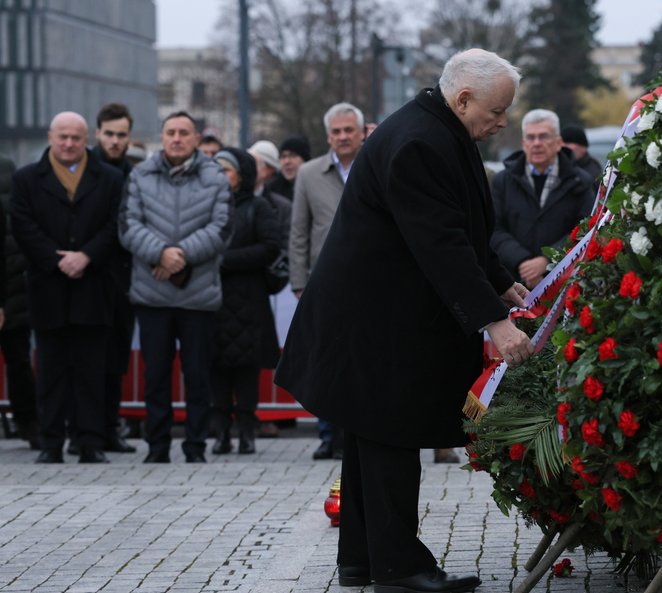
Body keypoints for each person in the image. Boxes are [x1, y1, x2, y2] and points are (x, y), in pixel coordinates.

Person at [275, 48, 533, 592]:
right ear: (463, 99)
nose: (503, 121)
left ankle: (362, 560)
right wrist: (495, 321)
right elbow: (438, 242)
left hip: (376, 317)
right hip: (373, 322)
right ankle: (400, 567)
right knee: (389, 436)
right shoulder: (419, 141)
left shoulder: (437, 129)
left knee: (372, 439)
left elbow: (459, 226)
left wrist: (498, 278)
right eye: (498, 110)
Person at [119, 111, 232, 463]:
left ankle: (195, 445)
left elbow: (222, 228)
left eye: (184, 132)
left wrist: (180, 255)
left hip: (198, 295)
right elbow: (127, 225)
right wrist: (160, 253)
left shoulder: (216, 178)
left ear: (196, 139)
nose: (178, 138)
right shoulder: (139, 176)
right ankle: (157, 446)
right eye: (171, 132)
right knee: (155, 376)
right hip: (152, 295)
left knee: (197, 376)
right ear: (162, 137)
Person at [10, 112, 122, 464]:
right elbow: (22, 225)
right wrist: (56, 259)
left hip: (94, 286)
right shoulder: (27, 179)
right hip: (48, 287)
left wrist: (86, 255)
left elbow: (116, 224)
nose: (69, 144)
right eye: (63, 137)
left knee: (91, 370)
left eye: (76, 137)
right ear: (50, 136)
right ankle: (51, 441)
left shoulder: (110, 178)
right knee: (51, 371)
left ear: (86, 137)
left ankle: (90, 441)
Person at [288, 102, 366, 460]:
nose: (343, 136)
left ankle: (360, 430)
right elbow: (298, 231)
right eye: (336, 131)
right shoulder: (308, 174)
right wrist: (299, 281)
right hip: (324, 282)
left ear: (362, 132)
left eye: (349, 129)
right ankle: (326, 435)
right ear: (327, 136)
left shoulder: (375, 165)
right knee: (325, 359)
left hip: (369, 278)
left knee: (362, 360)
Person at [208, 148, 280, 455]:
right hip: (213, 297)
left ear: (242, 175)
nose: (220, 176)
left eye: (226, 170)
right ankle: (221, 431)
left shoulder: (258, 206)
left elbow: (270, 247)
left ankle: (247, 430)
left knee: (246, 368)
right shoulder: (207, 206)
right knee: (216, 366)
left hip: (248, 298)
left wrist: (224, 260)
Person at [489, 110, 595, 289]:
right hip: (513, 284)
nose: (536, 143)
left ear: (558, 142)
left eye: (543, 136)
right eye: (530, 137)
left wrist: (546, 260)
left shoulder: (580, 181)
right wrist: (522, 261)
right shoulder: (503, 181)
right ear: (523, 143)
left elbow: (586, 229)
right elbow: (494, 229)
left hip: (563, 284)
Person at [91, 102, 137, 454]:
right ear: (98, 134)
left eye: (121, 135)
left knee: (115, 362)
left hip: (123, 282)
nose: (115, 141)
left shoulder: (134, 174)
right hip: (90, 277)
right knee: (87, 361)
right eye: (109, 134)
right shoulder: (87, 171)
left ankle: (109, 427)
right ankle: (88, 430)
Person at [0, 156, 35, 449]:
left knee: (19, 361)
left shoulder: (9, 170)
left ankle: (29, 422)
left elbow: (17, 228)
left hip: (11, 285)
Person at [266, 136, 310, 203]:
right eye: (283, 157)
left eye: (292, 156)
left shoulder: (317, 186)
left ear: (305, 159)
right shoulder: (271, 190)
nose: (287, 162)